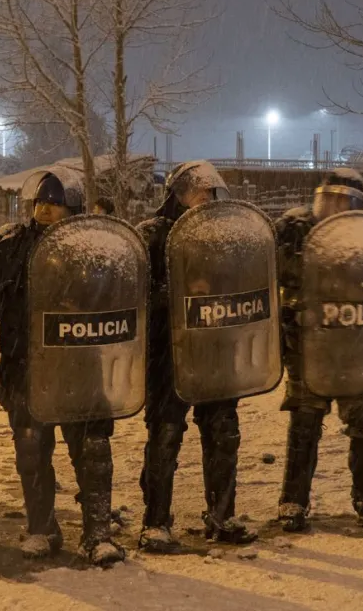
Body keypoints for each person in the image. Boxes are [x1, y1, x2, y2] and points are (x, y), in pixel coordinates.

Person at [0, 171, 126, 566]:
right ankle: (42, 528)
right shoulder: (10, 247)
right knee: (31, 448)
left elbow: (119, 300)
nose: (44, 208)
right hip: (25, 367)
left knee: (91, 449)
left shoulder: (95, 248)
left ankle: (98, 534)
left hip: (81, 365)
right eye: (40, 201)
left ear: (71, 207)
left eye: (54, 203)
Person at [136, 160, 258, 553]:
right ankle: (155, 522)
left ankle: (222, 515)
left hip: (215, 350)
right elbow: (135, 298)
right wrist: (180, 289)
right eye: (197, 190)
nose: (205, 197)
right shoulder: (152, 236)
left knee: (223, 432)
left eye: (210, 191)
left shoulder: (224, 235)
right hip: (167, 353)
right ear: (178, 193)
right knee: (166, 435)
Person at [274, 168, 363, 534]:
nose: (333, 207)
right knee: (305, 421)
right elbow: (275, 273)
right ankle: (293, 500)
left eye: (343, 201)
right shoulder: (294, 230)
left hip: (358, 345)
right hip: (307, 343)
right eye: (329, 198)